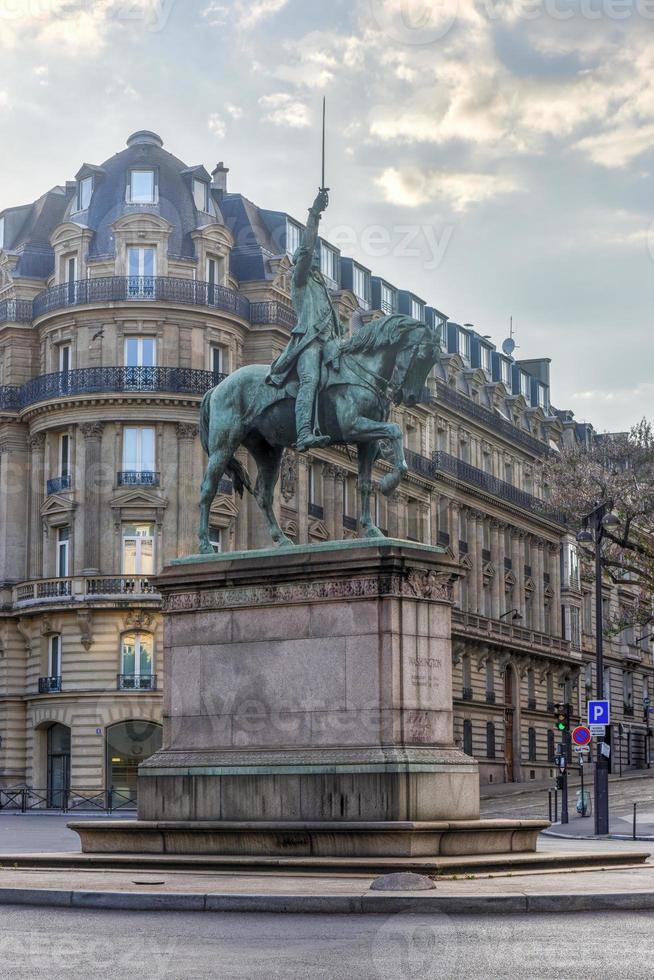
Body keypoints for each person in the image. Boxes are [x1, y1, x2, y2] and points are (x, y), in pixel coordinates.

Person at [266, 188, 343, 452]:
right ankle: (303, 433)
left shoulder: (323, 289)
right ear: (302, 261)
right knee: (309, 380)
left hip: (330, 342)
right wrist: (315, 214)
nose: (316, 260)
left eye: (317, 259)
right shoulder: (299, 282)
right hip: (309, 342)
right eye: (311, 257)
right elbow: (308, 245)